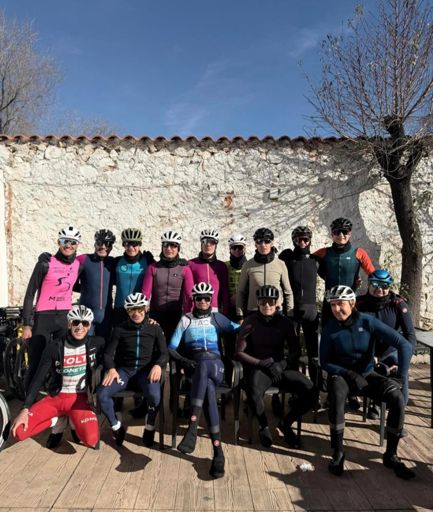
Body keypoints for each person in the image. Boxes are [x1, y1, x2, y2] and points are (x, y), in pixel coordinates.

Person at [320, 285, 415, 479]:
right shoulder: (330, 328)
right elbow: (325, 362)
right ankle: (338, 453)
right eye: (333, 305)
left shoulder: (367, 321)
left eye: (340, 304)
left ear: (352, 302)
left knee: (397, 398)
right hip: (342, 375)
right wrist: (348, 373)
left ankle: (391, 455)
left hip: (367, 374)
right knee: (337, 395)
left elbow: (404, 344)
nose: (336, 309)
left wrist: (401, 377)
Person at [168, 282, 240, 479]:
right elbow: (171, 347)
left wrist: (251, 320)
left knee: (206, 366)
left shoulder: (217, 318)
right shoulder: (186, 320)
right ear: (194, 300)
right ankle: (218, 451)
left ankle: (192, 427)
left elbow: (240, 329)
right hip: (195, 369)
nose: (203, 302)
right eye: (199, 298)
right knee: (207, 388)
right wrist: (184, 361)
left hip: (216, 366)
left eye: (206, 298)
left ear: (211, 300)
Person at [11, 305, 104, 450]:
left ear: (89, 325)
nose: (80, 327)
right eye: (75, 322)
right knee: (19, 432)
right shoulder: (54, 347)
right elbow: (38, 379)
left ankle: (72, 420)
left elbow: (113, 355)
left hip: (79, 399)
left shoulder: (97, 343)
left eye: (85, 323)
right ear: (69, 324)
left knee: (91, 439)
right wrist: (25, 408)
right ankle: (58, 421)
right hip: (56, 397)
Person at [236, 285, 317, 448]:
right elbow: (239, 352)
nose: (267, 305)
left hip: (280, 368)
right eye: (263, 301)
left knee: (311, 390)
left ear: (277, 303)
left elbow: (295, 350)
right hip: (260, 367)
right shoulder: (250, 321)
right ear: (258, 303)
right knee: (253, 390)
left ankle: (286, 423)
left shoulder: (285, 322)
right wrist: (259, 363)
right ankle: (264, 425)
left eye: (271, 302)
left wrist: (282, 364)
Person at [97, 293, 168, 447]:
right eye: (131, 310)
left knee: (155, 396)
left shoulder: (155, 328)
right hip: (125, 371)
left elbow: (164, 353)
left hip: (145, 372)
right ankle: (116, 426)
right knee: (102, 394)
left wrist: (158, 365)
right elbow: (108, 354)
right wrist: (111, 369)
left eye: (139, 309)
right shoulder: (119, 329)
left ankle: (150, 427)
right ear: (127, 311)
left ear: (146, 308)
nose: (136, 313)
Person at [22, 226, 83, 390]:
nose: (68, 245)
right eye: (65, 241)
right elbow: (30, 294)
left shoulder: (78, 265)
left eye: (73, 242)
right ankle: (29, 400)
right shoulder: (45, 263)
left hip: (64, 317)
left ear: (77, 245)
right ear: (58, 242)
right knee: (35, 362)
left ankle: (56, 395)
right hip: (43, 316)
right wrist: (26, 324)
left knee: (61, 361)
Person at [357, 269, 416, 415]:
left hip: (390, 352)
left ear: (389, 287)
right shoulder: (359, 303)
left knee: (402, 379)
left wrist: (404, 361)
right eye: (375, 284)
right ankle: (375, 401)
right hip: (367, 352)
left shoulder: (398, 304)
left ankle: (396, 413)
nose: (379, 289)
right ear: (368, 284)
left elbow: (410, 335)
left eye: (384, 286)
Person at [313, 217, 375, 326]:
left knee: (351, 331)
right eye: (337, 232)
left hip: (350, 300)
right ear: (332, 234)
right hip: (330, 302)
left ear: (350, 233)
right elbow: (304, 262)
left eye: (345, 232)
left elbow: (374, 276)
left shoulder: (359, 252)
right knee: (327, 332)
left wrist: (375, 294)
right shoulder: (323, 253)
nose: (341, 235)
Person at [279, 226, 319, 383]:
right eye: (298, 239)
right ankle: (294, 386)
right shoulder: (287, 258)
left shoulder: (316, 260)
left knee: (313, 352)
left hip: (311, 310)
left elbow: (334, 277)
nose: (302, 242)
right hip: (292, 310)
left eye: (305, 239)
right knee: (293, 351)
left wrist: (354, 285)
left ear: (310, 241)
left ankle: (315, 386)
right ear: (293, 241)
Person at [142, 230, 194, 341]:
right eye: (166, 245)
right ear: (162, 247)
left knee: (173, 345)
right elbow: (145, 293)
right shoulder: (152, 268)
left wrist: (188, 315)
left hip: (176, 315)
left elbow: (189, 294)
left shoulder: (185, 269)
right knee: (156, 345)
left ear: (178, 248)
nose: (169, 249)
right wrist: (144, 313)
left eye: (173, 245)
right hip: (156, 314)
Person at [236, 228, 292, 321]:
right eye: (259, 241)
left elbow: (288, 292)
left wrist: (290, 314)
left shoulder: (280, 264)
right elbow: (241, 291)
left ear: (272, 243)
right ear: (255, 244)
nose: (263, 245)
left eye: (267, 241)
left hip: (275, 311)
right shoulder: (247, 265)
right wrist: (240, 315)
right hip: (254, 311)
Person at [76, 229, 116, 340]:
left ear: (111, 247)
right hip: (85, 314)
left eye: (107, 244)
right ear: (95, 244)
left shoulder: (113, 262)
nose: (102, 247)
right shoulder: (83, 259)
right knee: (84, 346)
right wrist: (48, 258)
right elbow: (64, 263)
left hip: (106, 316)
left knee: (102, 345)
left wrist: (147, 259)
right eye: (99, 243)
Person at [112, 228, 154, 326]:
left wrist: (180, 263)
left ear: (139, 244)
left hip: (139, 310)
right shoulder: (116, 261)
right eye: (127, 244)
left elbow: (163, 270)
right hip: (120, 308)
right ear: (123, 245)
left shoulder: (147, 261)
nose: (131, 247)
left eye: (134, 244)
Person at [188, 229, 230, 315]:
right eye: (205, 241)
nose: (208, 244)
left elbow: (225, 291)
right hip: (197, 308)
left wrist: (226, 311)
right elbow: (188, 290)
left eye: (212, 242)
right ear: (201, 244)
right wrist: (189, 309)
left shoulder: (221, 266)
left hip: (216, 309)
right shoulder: (191, 264)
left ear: (216, 245)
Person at [224, 233, 247, 321]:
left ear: (244, 249)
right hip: (229, 306)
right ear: (230, 249)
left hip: (246, 306)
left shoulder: (250, 266)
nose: (237, 250)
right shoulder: (224, 266)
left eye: (240, 247)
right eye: (234, 247)